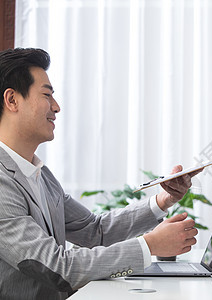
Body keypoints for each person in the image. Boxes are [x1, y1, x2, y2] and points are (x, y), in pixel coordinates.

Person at [0, 48, 201, 299]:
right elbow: (58, 267)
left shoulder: (41, 175)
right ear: (12, 100)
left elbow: (94, 231)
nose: (56, 107)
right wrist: (150, 245)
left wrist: (162, 201)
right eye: (46, 95)